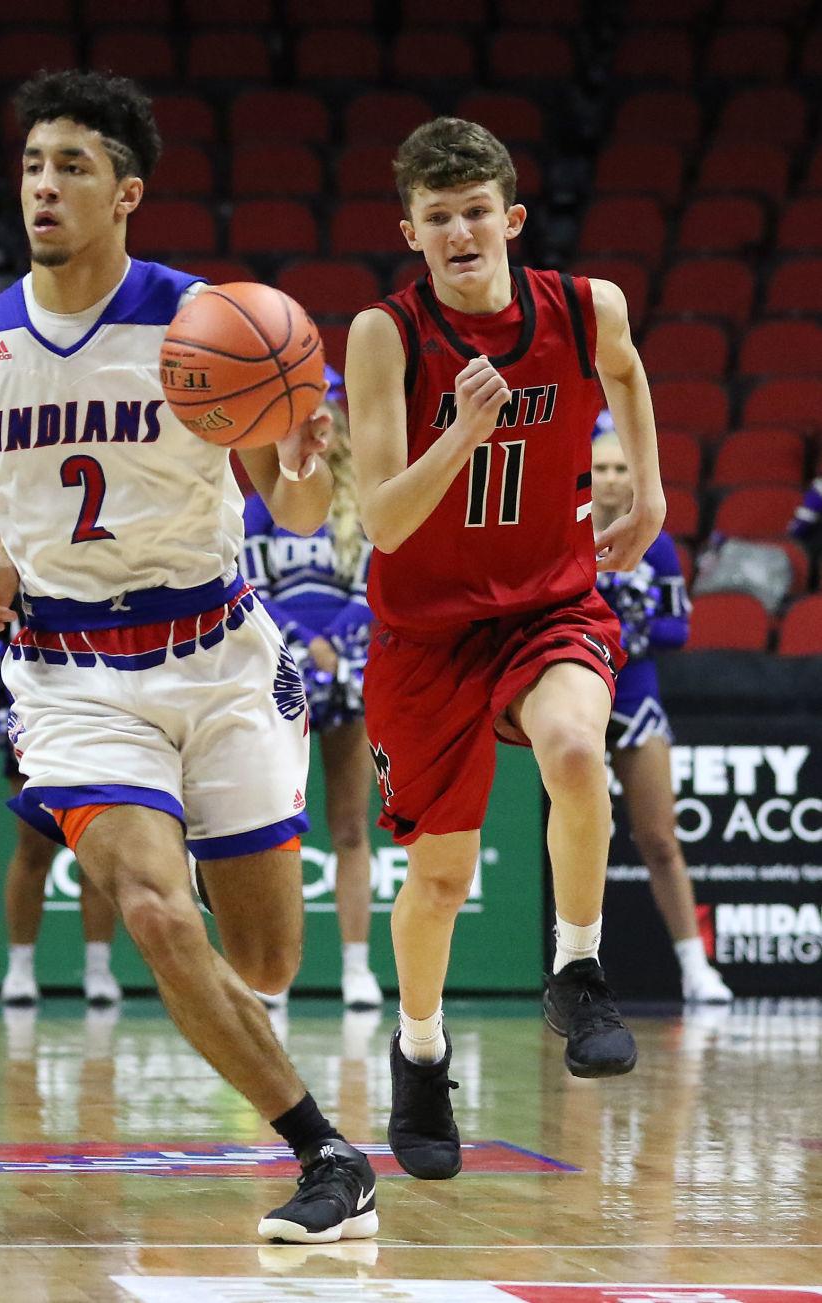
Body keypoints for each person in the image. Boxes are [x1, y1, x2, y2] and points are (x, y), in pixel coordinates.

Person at [0, 69, 378, 1245]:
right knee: (149, 905)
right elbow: (0, 509)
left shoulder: (209, 323)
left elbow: (291, 509)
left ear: (126, 192)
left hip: (220, 655)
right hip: (73, 676)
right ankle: (325, 1149)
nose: (44, 185)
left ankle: (293, 1091)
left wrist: (297, 453)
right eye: (34, 164)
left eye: (72, 166)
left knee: (264, 951)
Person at [346, 116, 664, 1182]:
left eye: (476, 211)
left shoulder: (582, 307)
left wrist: (652, 490)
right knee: (436, 878)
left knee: (578, 751)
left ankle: (576, 967)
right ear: (411, 232)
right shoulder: (385, 334)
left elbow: (625, 371)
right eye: (437, 218)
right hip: (425, 631)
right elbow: (383, 519)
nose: (459, 231)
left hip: (547, 601)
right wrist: (460, 434)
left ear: (510, 217)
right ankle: (421, 1051)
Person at [241, 368, 383, 1013]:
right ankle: (277, 971)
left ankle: (357, 966)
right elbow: (251, 590)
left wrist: (339, 643)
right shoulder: (259, 502)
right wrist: (303, 638)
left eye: (320, 407)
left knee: (351, 826)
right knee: (278, 825)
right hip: (280, 673)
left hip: (351, 672)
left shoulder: (361, 496)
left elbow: (373, 588)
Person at [591, 428, 732, 1004]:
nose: (611, 479)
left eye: (622, 469)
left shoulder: (658, 543)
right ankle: (570, 969)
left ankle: (695, 966)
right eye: (601, 468)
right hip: (567, 693)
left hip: (634, 696)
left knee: (659, 838)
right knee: (574, 836)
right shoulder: (558, 534)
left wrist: (635, 624)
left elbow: (680, 628)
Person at [0, 630, 123, 1006]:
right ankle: (20, 968)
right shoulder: (20, 582)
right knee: (32, 847)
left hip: (96, 716)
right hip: (34, 719)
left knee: (97, 848)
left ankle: (98, 968)